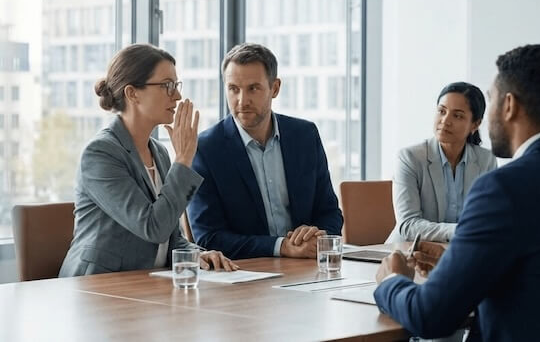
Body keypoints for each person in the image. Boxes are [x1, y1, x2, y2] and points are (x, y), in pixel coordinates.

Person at [373, 44, 540, 341]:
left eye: (491, 99)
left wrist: (391, 281)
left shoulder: (503, 189)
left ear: (509, 105)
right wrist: (460, 265)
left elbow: (429, 317)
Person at [59, 44, 237, 277]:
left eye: (176, 85)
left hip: (145, 285)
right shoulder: (100, 153)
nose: (177, 95)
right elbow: (153, 228)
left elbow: (172, 238)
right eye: (167, 86)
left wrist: (196, 253)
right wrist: (183, 159)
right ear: (132, 93)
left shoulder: (159, 152)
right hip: (98, 288)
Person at [187, 43, 343, 260]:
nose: (242, 101)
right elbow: (208, 237)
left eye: (253, 88)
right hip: (245, 276)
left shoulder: (305, 135)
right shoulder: (205, 149)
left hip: (306, 268)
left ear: (275, 88)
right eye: (233, 89)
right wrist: (281, 247)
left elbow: (329, 211)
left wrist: (319, 235)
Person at [386, 82, 497, 243]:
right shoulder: (410, 158)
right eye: (441, 111)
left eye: (457, 115)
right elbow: (408, 225)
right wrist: (463, 231)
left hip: (461, 254)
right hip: (408, 254)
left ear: (475, 124)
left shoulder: (486, 160)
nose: (445, 121)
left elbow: (487, 218)